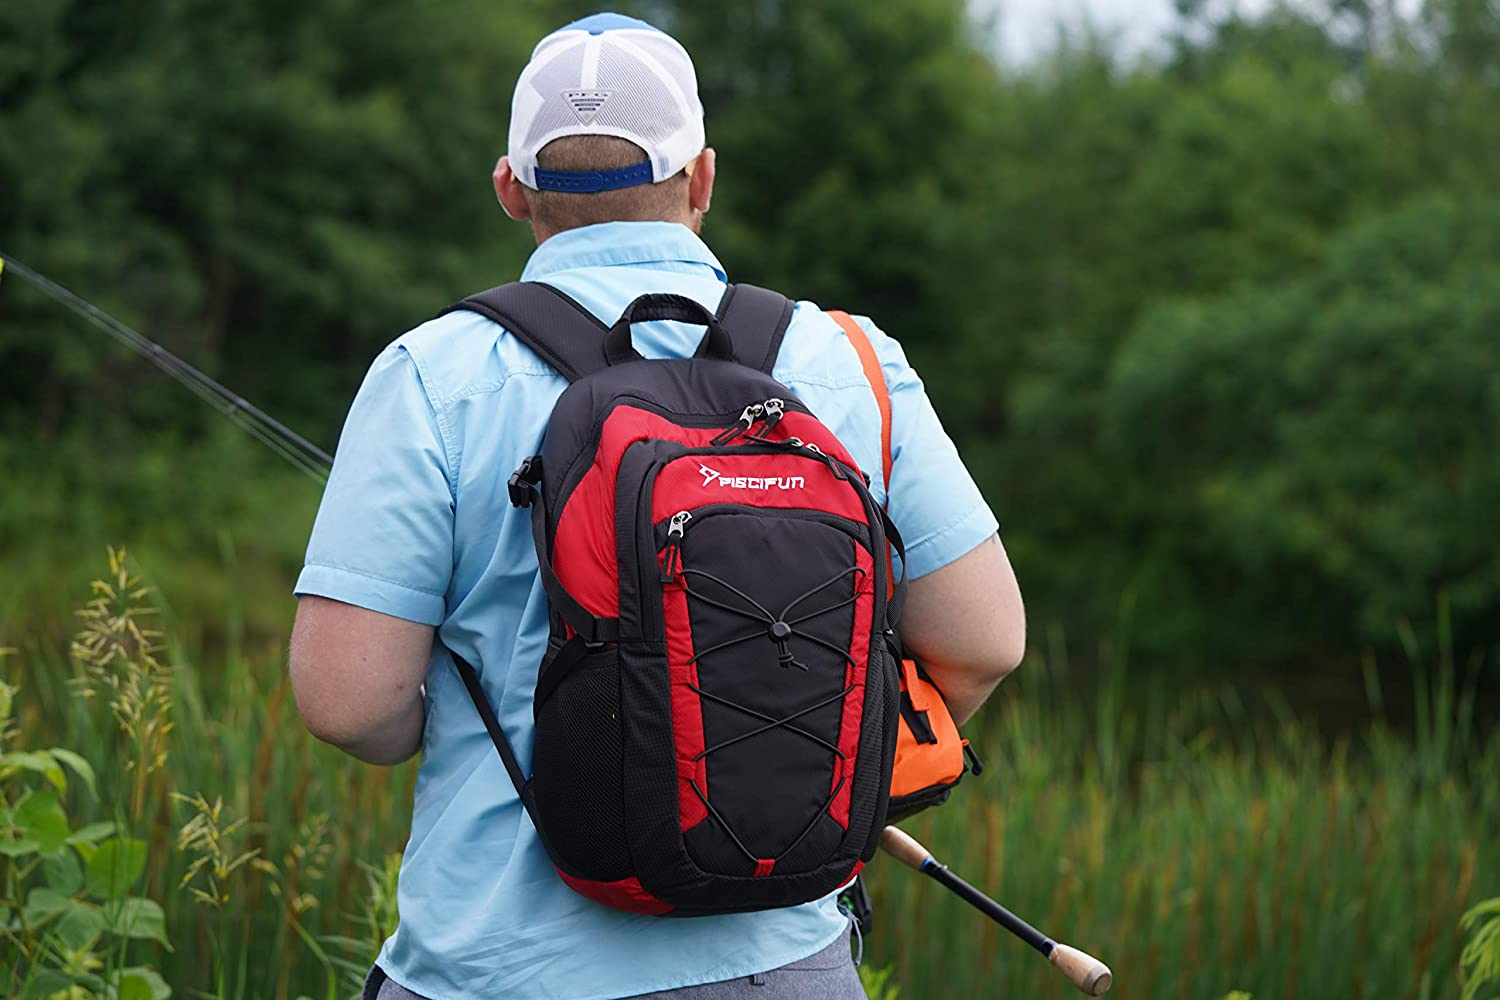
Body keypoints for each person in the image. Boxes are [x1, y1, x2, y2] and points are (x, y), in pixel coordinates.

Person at [288, 11, 1025, 1000]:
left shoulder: (432, 373)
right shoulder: (848, 361)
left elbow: (347, 703)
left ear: (511, 189)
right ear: (703, 178)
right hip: (781, 966)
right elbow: (984, 643)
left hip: (497, 968)